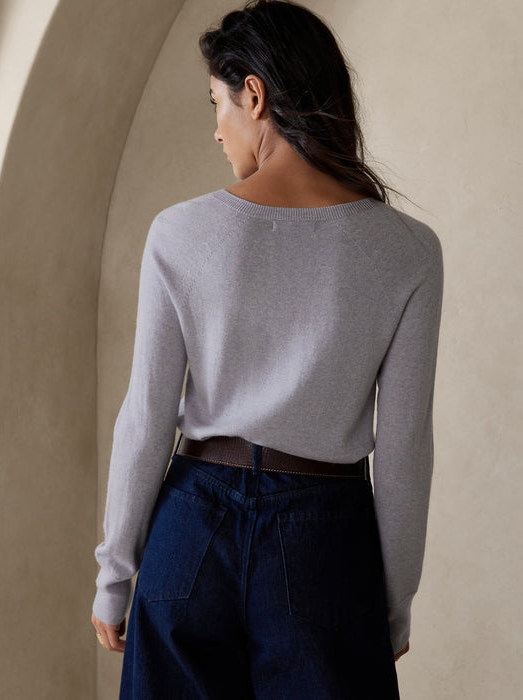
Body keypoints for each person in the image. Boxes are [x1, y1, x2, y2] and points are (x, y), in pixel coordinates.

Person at [91, 0, 443, 697]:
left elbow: (147, 416)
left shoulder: (179, 232)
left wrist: (114, 576)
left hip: (190, 528)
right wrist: (392, 603)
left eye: (217, 103)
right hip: (325, 542)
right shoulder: (408, 250)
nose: (216, 128)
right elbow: (404, 445)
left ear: (254, 95)